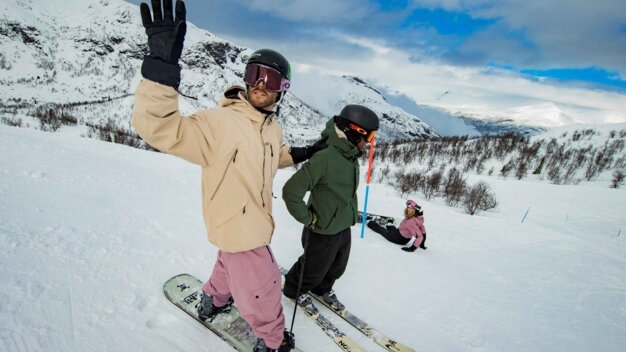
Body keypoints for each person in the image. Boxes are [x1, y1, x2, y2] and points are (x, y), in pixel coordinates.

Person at [132, 1, 326, 351]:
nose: (260, 85)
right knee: (262, 286)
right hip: (240, 225)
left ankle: (214, 299)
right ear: (246, 79)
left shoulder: (272, 128)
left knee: (229, 263)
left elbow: (271, 158)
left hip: (246, 223)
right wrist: (162, 67)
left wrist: (302, 153)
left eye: (271, 80)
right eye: (255, 75)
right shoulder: (218, 124)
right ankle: (271, 340)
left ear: (282, 90)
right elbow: (161, 129)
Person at [282, 105, 379, 311]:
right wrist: (309, 219)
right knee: (312, 268)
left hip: (342, 224)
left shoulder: (349, 155)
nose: (369, 143)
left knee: (336, 266)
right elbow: (291, 191)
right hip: (322, 228)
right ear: (354, 132)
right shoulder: (325, 157)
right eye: (368, 137)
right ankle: (293, 289)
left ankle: (322, 288)